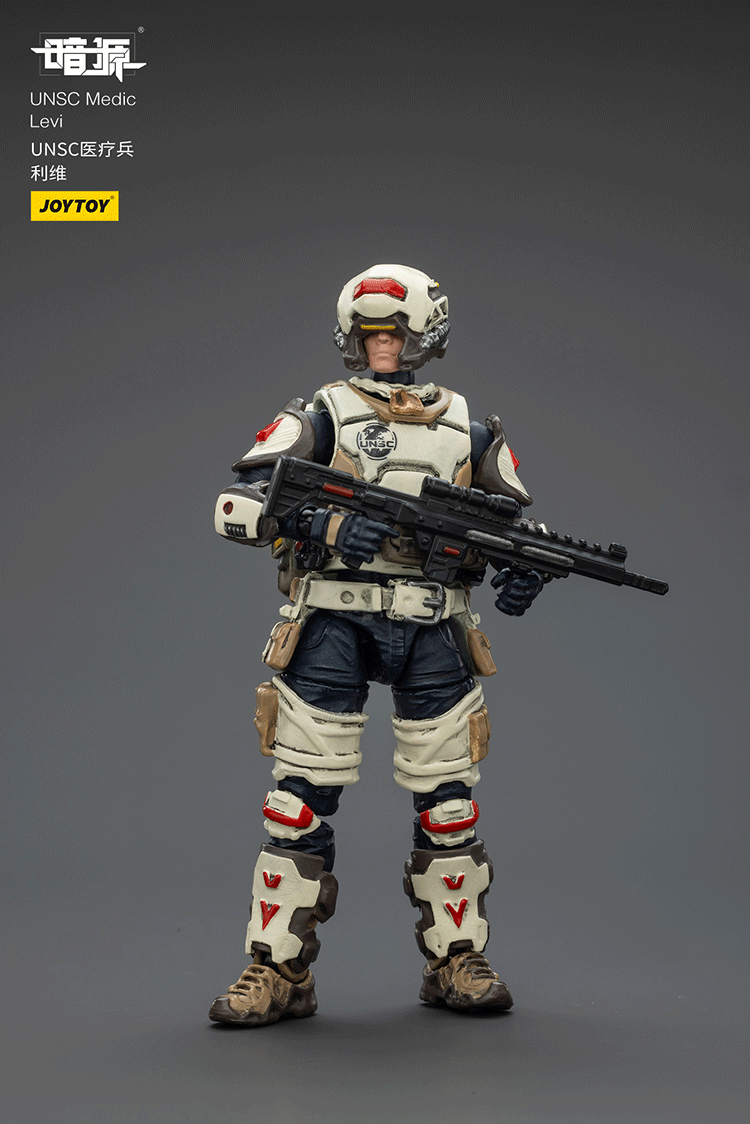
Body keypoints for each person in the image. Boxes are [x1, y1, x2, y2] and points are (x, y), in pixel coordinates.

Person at [208, 264, 544, 1026]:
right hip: (333, 619)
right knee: (297, 801)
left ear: (426, 337)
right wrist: (323, 525)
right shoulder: (322, 415)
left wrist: (520, 571)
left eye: (395, 334)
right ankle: (278, 968)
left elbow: (508, 528)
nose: (382, 347)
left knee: (449, 802)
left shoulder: (470, 429)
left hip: (433, 625)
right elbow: (235, 505)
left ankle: (456, 959)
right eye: (370, 335)